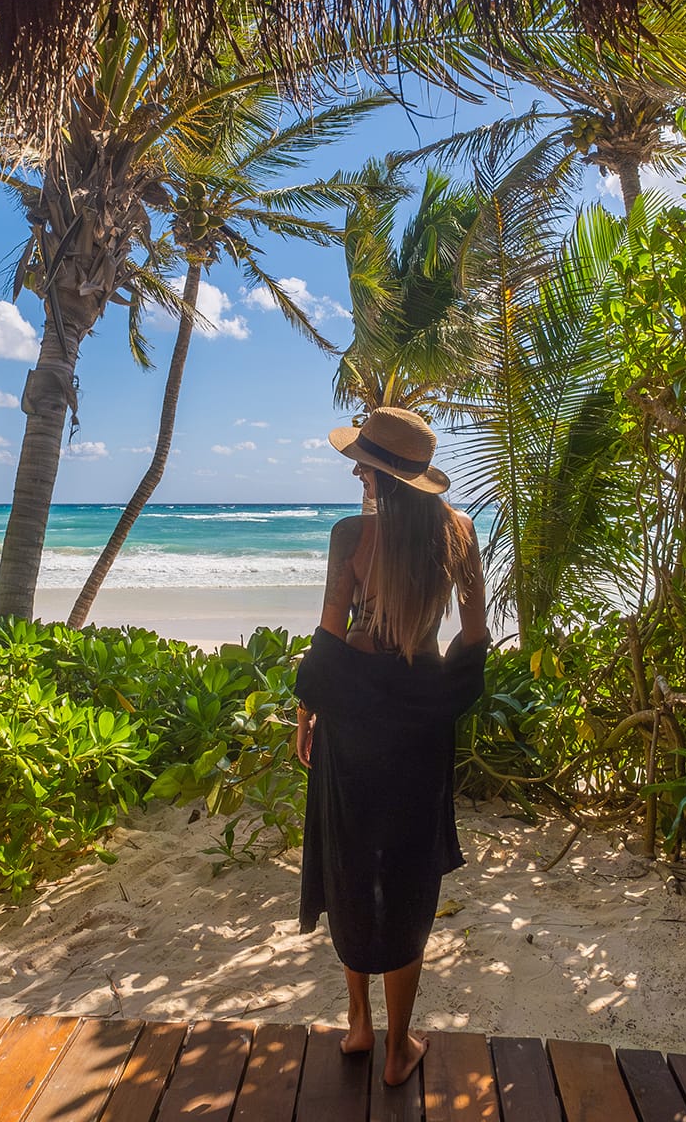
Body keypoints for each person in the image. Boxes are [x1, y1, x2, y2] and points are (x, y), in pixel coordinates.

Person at [295, 406, 489, 1088]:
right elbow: (473, 636)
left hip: (352, 718)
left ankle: (358, 1027)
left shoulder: (350, 535)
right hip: (418, 721)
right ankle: (400, 1048)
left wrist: (309, 710)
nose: (355, 470)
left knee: (351, 860)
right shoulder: (460, 533)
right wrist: (441, 700)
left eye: (364, 462)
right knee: (408, 874)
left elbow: (327, 636)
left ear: (383, 473)